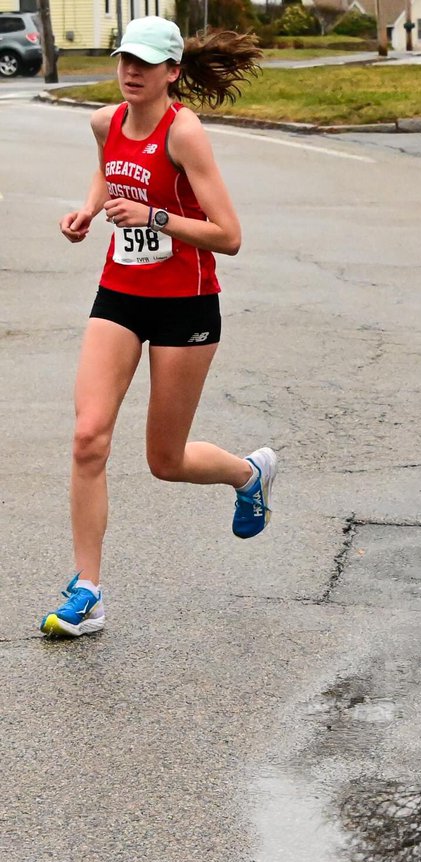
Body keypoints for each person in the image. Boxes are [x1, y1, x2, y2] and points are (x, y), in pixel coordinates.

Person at [44, 16, 273, 638]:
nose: (130, 72)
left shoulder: (185, 134)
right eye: (124, 60)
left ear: (172, 71)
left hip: (185, 304)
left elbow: (229, 237)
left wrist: (156, 216)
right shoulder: (106, 121)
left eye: (145, 63)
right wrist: (89, 210)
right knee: (88, 437)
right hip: (119, 293)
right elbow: (108, 166)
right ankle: (86, 590)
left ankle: (248, 474)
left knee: (164, 461)